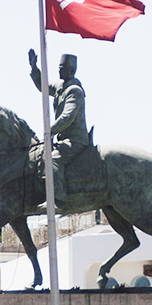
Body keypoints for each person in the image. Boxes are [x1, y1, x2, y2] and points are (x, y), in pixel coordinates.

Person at [28, 49, 90, 206]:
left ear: (71, 70)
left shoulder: (74, 91)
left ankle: (58, 199)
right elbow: (43, 86)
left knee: (53, 160)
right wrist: (34, 68)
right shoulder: (61, 87)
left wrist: (49, 131)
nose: (59, 70)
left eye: (62, 68)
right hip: (63, 140)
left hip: (76, 141)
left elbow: (67, 118)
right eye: (59, 67)